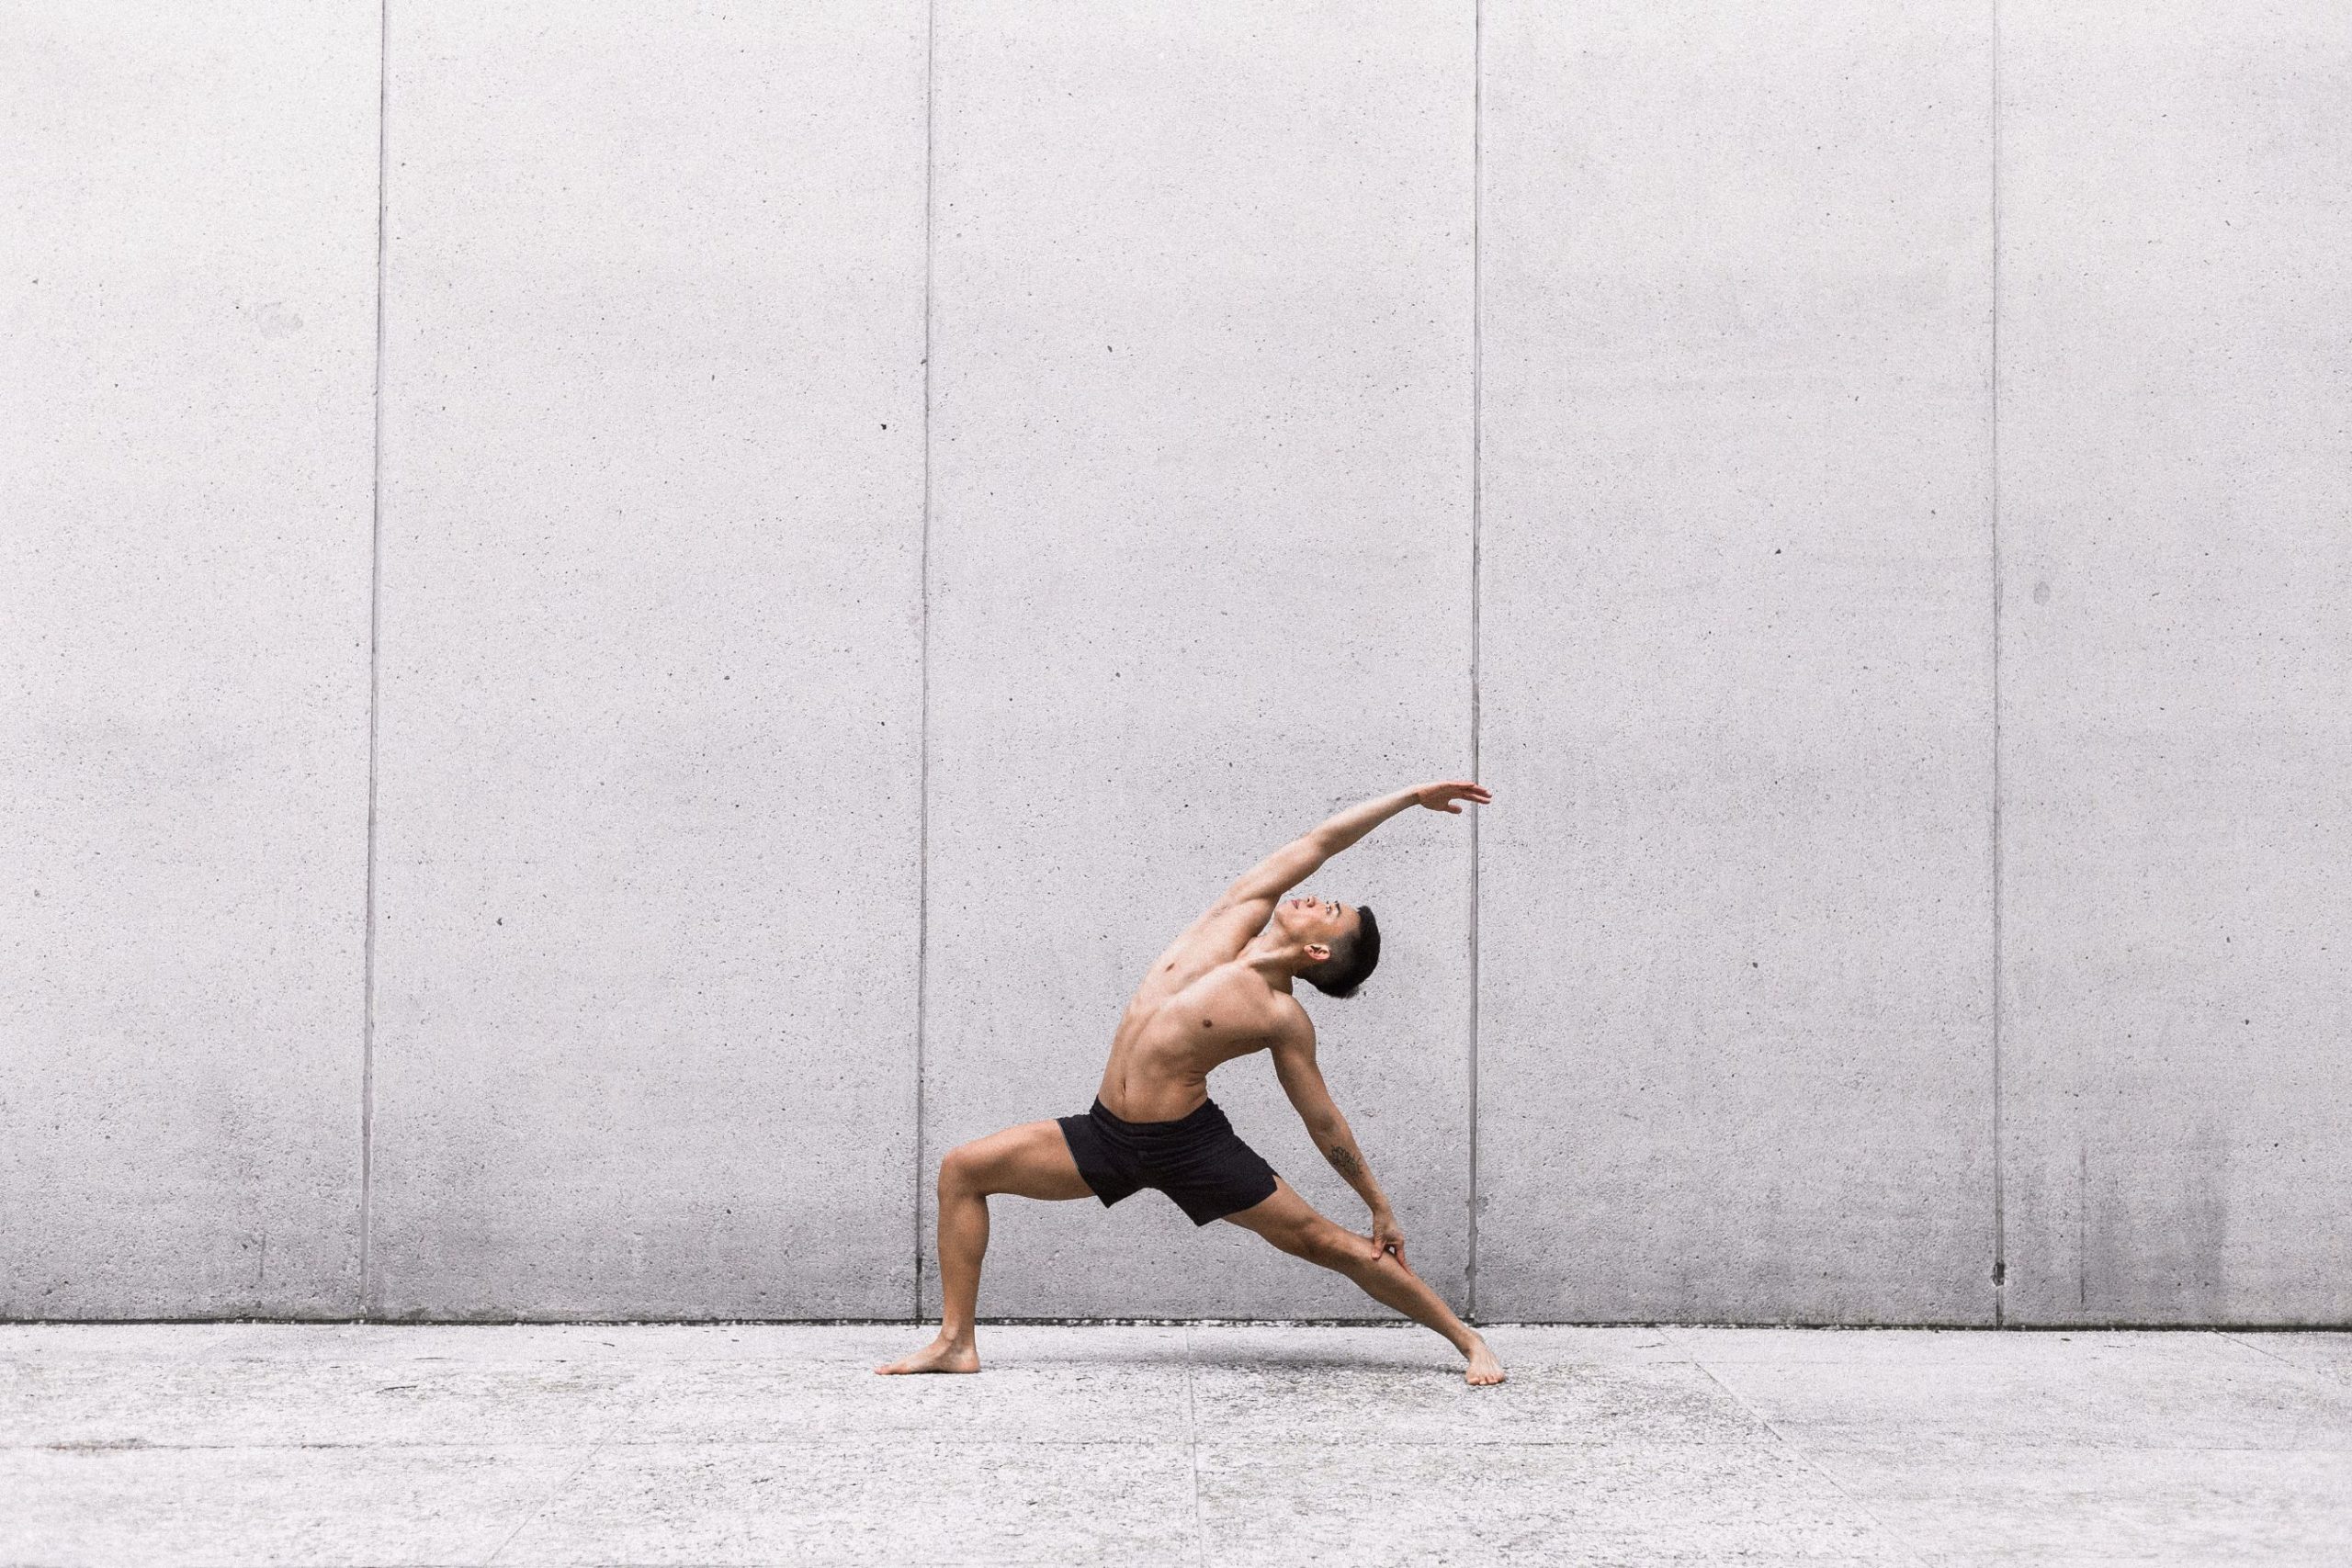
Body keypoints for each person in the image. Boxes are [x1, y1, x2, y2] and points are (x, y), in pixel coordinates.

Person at [877, 780, 1505, 1385]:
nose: (1315, 898)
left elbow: (1322, 1119)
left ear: (1318, 953)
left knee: (1324, 1242)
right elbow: (1320, 841)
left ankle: (1466, 1338)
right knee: (963, 1170)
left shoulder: (1280, 1016)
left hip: (1190, 1147)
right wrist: (1409, 798)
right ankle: (956, 1343)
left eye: (1328, 910)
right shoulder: (1233, 916)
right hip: (1105, 1133)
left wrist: (1378, 1205)